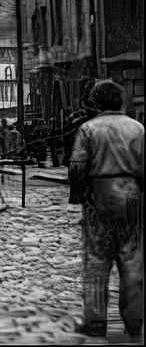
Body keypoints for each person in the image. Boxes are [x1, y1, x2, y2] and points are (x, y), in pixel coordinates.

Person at [69, 80, 143, 339]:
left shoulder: (89, 128)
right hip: (132, 194)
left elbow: (77, 168)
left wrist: (83, 197)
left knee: (97, 261)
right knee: (133, 260)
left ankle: (96, 320)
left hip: (99, 194)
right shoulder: (138, 128)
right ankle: (134, 321)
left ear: (97, 103)